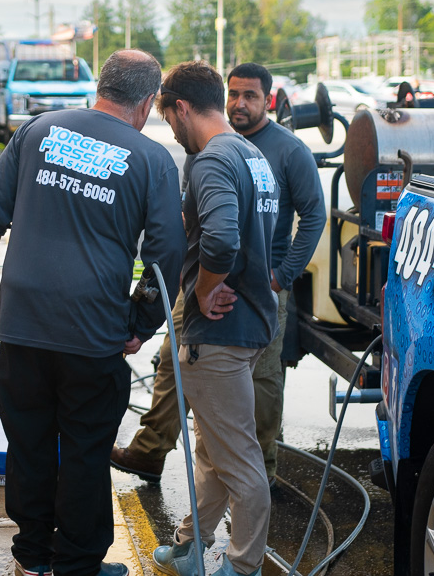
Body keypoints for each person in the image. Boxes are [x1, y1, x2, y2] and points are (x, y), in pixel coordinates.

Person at [0, 49, 186, 576]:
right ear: (148, 102)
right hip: (92, 333)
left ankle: (32, 559)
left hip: (22, 326)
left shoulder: (36, 130)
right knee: (86, 452)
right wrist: (141, 324)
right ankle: (76, 566)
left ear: (101, 85)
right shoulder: (152, 158)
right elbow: (166, 255)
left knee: (29, 445)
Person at [111, 64, 326, 493]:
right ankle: (151, 450)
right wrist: (191, 280)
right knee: (174, 363)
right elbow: (194, 217)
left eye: (251, 96)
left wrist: (281, 277)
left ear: (268, 100)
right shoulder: (201, 146)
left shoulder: (287, 151)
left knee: (260, 382)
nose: (240, 103)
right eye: (234, 94)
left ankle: (259, 470)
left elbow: (313, 216)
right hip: (202, 280)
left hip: (257, 287)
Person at [149, 61, 279, 576]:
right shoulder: (252, 154)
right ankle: (190, 547)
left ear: (182, 108)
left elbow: (223, 239)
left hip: (220, 335)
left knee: (238, 459)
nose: (171, 131)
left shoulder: (210, 161)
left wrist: (203, 292)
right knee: (213, 450)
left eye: (168, 119)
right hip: (250, 325)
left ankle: (242, 566)